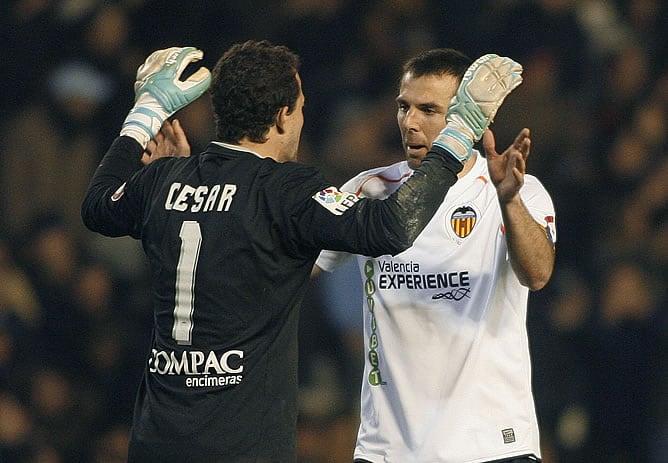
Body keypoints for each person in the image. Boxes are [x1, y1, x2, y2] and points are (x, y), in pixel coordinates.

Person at [81, 42, 522, 462]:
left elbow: (97, 207)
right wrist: (459, 131)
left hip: (156, 438)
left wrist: (146, 112)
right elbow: (393, 226)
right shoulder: (287, 193)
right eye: (302, 108)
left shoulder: (165, 180)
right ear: (281, 117)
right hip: (242, 445)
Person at [315, 48, 556, 462]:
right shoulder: (369, 190)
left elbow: (537, 274)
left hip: (493, 446)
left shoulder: (519, 189)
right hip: (388, 450)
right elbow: (291, 270)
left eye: (429, 109)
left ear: (474, 118)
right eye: (404, 107)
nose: (410, 123)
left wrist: (509, 201)